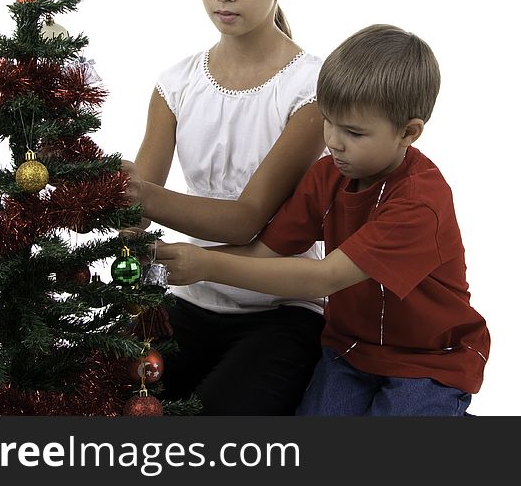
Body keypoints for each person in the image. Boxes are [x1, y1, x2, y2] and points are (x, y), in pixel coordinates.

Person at [157, 24, 490, 416]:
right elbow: (266, 250)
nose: (333, 140)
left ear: (409, 132)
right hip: (349, 349)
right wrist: (174, 257)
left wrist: (206, 264)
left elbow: (324, 277)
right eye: (329, 121)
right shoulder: (327, 174)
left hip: (428, 358)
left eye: (354, 132)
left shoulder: (419, 202)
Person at [121, 0, 327, 415]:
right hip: (190, 300)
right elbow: (134, 210)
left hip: (280, 311)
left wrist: (140, 196)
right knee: (117, 404)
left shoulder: (314, 88)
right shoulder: (177, 83)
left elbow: (245, 221)